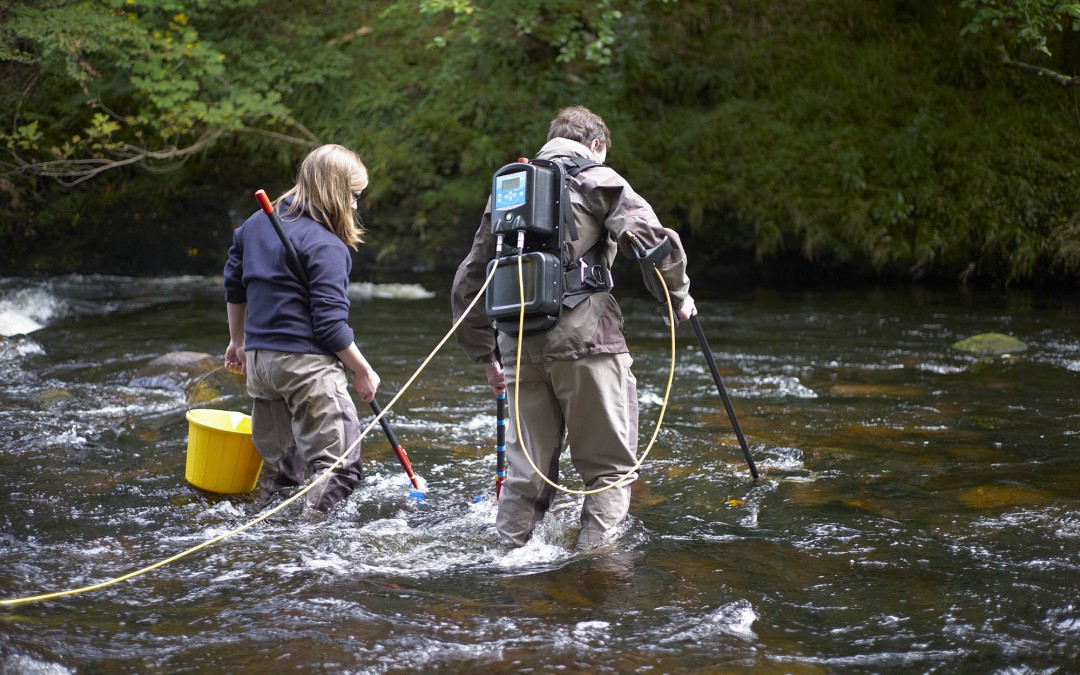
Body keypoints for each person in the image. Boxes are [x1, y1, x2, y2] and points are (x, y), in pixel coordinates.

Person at [451, 105, 697, 549]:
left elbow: (471, 277)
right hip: (588, 342)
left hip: (518, 346)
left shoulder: (508, 189)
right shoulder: (598, 178)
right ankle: (596, 571)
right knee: (608, 470)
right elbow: (651, 242)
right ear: (595, 144)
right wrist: (677, 299)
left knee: (525, 476)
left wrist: (485, 354)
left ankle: (508, 567)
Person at [223, 144, 380, 522]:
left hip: (260, 365)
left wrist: (237, 341)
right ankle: (309, 542)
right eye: (353, 195)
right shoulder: (327, 244)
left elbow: (234, 284)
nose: (355, 205)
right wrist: (362, 370)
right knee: (340, 469)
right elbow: (330, 326)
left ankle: (276, 542)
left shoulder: (254, 225)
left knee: (283, 475)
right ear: (335, 190)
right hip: (305, 367)